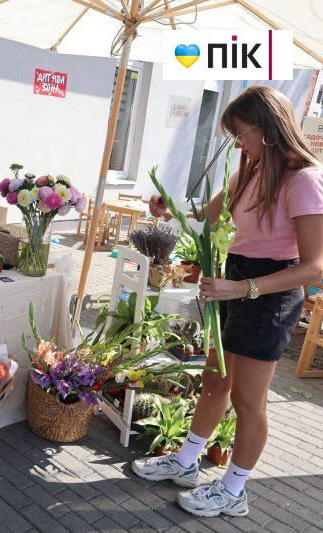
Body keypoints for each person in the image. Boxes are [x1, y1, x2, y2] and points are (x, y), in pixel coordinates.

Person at [133, 85, 323, 517]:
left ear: (268, 127)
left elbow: (314, 267)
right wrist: (171, 208)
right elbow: (205, 213)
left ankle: (235, 490)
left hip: (268, 292)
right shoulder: (250, 171)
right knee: (216, 383)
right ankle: (185, 463)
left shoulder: (304, 179)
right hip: (235, 280)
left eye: (241, 133)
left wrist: (241, 289)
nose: (237, 143)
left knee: (248, 401)